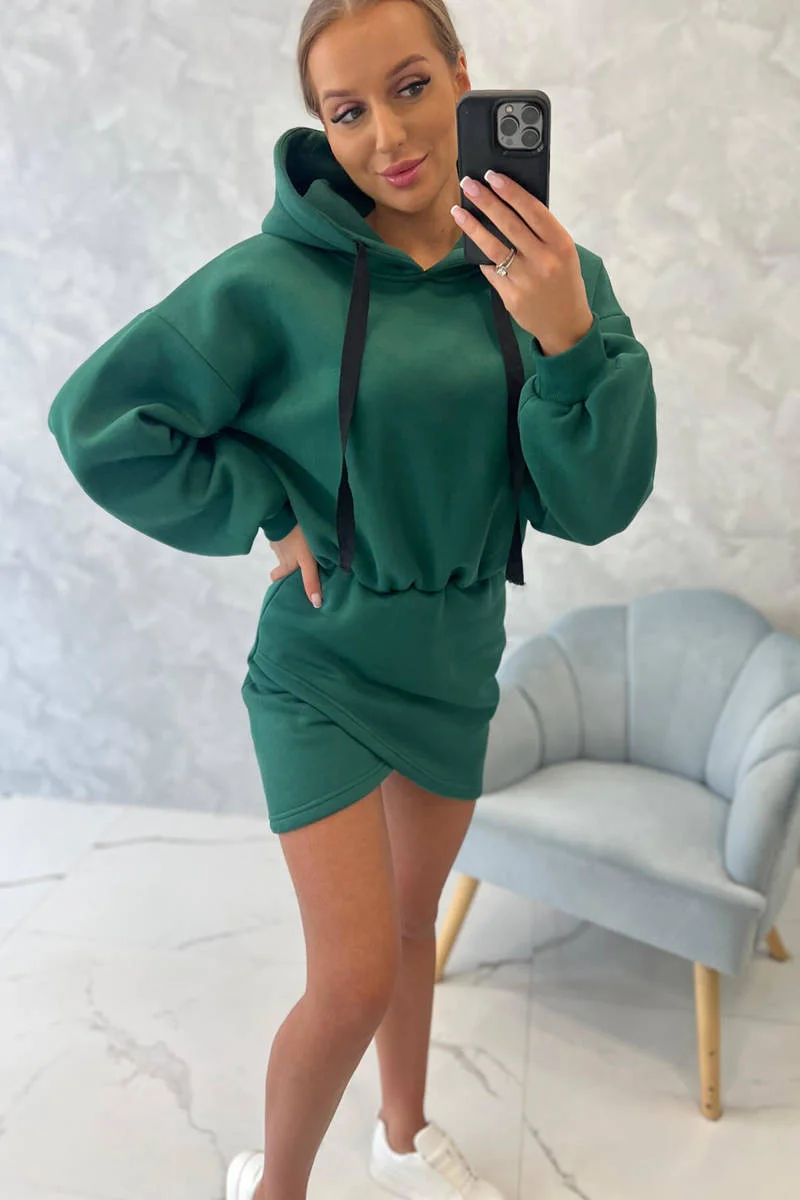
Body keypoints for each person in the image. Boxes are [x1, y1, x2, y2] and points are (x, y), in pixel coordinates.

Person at [47, 1, 657, 1196]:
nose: (387, 133)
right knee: (352, 978)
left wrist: (567, 341)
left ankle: (401, 1138)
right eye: (346, 110)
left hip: (454, 653)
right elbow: (100, 421)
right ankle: (272, 1185)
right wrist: (262, 507)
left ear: (464, 78)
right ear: (319, 126)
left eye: (410, 85)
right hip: (321, 664)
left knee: (409, 929)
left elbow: (589, 506)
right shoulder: (274, 280)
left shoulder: (552, 273)